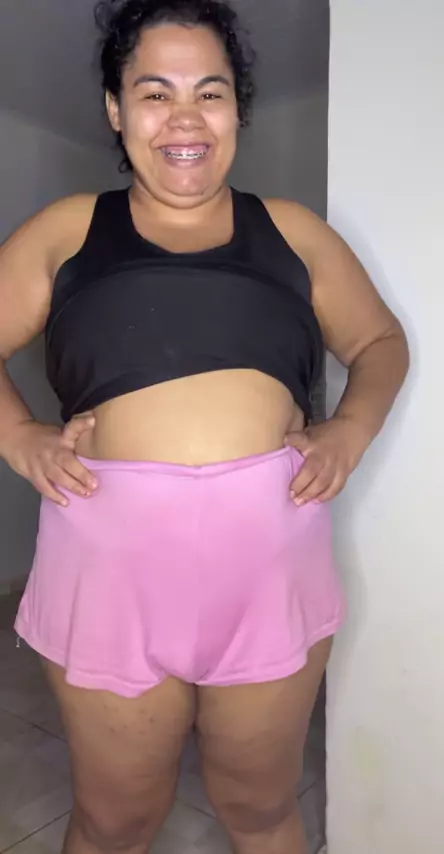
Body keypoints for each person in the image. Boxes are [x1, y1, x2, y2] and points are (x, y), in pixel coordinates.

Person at [0, 1, 409, 852]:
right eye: (155, 93)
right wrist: (18, 434)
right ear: (116, 110)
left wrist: (349, 430)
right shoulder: (67, 230)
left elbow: (379, 342)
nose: (185, 118)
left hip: (267, 569)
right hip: (108, 574)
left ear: (237, 110)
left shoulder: (293, 232)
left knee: (260, 810)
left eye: (210, 92)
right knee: (115, 820)